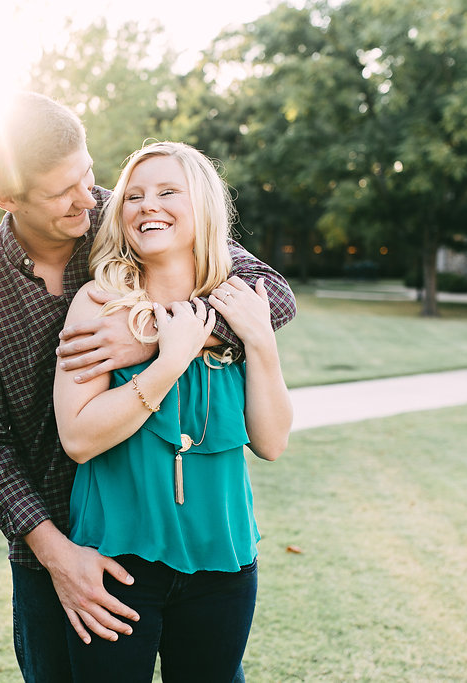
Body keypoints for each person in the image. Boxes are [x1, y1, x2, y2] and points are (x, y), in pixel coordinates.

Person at [0, 92, 296, 682]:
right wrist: (56, 556)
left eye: (89, 175)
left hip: (204, 540)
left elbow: (268, 294)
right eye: (60, 192)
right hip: (63, 534)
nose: (87, 199)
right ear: (7, 198)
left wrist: (153, 336)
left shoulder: (132, 212)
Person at [53, 141, 293, 682]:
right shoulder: (98, 304)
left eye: (167, 192)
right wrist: (170, 357)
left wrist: (262, 342)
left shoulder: (238, 303)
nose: (146, 205)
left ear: (203, 206)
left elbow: (273, 442)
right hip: (118, 562)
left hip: (224, 561)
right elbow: (79, 436)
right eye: (133, 196)